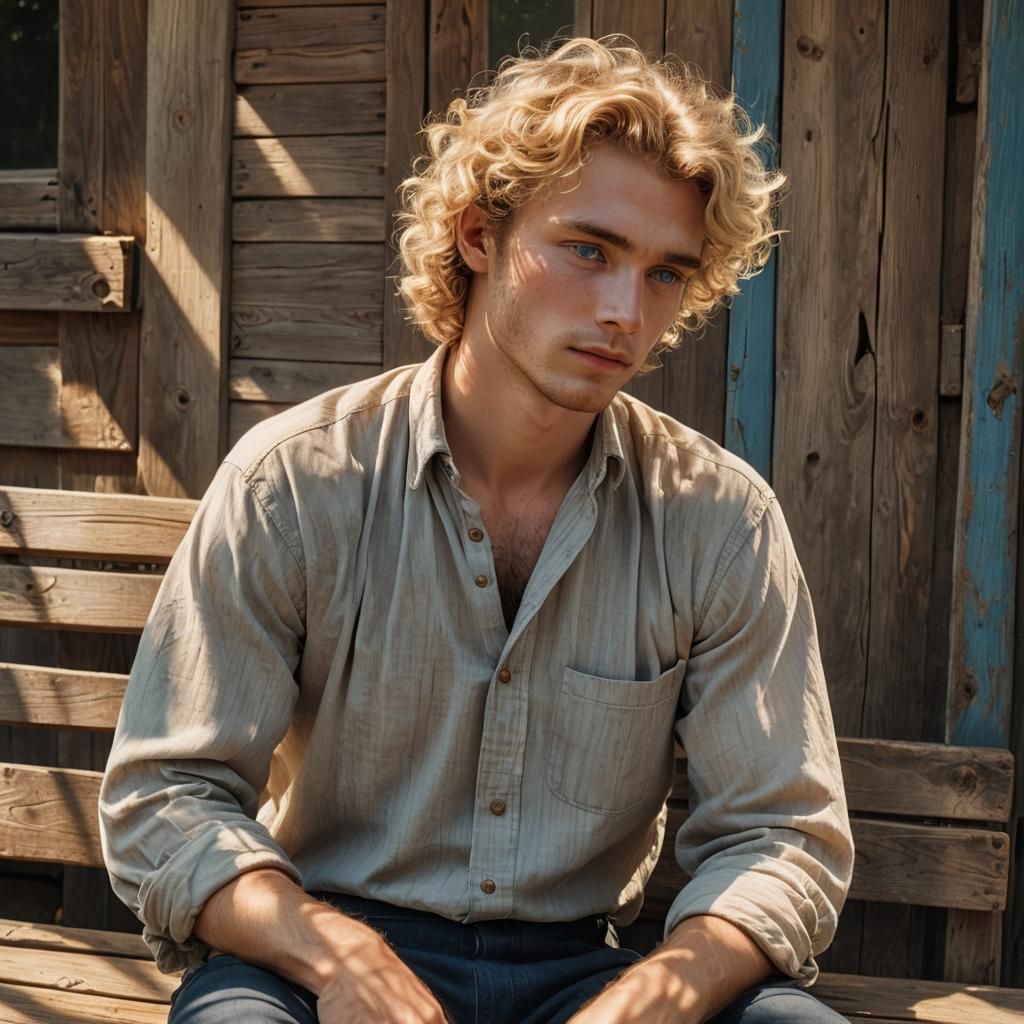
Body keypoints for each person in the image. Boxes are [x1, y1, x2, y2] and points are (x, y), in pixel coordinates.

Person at [99, 36, 853, 1024]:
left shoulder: (717, 519)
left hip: (585, 968)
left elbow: (781, 835)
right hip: (314, 954)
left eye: (665, 274)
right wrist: (335, 955)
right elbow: (166, 797)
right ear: (478, 236)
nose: (625, 311)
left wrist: (653, 1001)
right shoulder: (296, 483)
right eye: (589, 250)